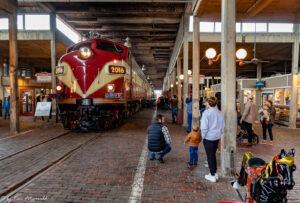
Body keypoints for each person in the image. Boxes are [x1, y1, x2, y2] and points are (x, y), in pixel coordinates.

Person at [201, 96, 224, 182]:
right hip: (216, 137)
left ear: (208, 103)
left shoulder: (206, 113)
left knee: (210, 156)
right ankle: (214, 171)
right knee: (213, 154)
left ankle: (212, 175)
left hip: (208, 137)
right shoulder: (219, 113)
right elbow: (222, 126)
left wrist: (203, 136)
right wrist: (219, 133)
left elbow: (204, 127)